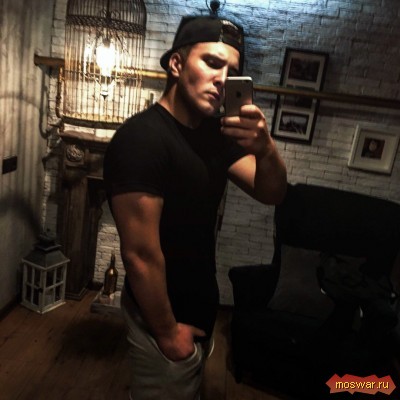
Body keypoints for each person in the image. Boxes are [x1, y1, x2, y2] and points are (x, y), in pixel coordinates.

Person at [103, 15, 287, 400]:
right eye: (212, 63)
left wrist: (266, 148)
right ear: (176, 63)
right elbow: (140, 255)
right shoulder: (141, 139)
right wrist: (169, 335)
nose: (222, 79)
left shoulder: (216, 136)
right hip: (162, 321)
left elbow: (272, 192)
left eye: (231, 71)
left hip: (199, 308)